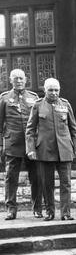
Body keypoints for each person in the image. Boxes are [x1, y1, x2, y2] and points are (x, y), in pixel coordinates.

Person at [26, 78, 76, 221]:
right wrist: (31, 149)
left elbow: (73, 129)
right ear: (45, 90)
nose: (54, 93)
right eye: (50, 90)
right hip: (45, 150)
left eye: (56, 90)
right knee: (47, 183)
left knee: (66, 183)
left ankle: (66, 213)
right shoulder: (38, 105)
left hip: (64, 150)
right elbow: (30, 130)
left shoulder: (65, 104)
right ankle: (50, 212)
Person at [0, 69, 43, 220]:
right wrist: (1, 145)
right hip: (13, 143)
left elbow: (38, 122)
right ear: (10, 81)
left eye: (21, 78)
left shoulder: (34, 97)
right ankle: (11, 209)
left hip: (32, 144)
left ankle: (37, 208)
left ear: (26, 80)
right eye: (15, 78)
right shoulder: (4, 98)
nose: (19, 81)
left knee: (36, 177)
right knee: (11, 178)